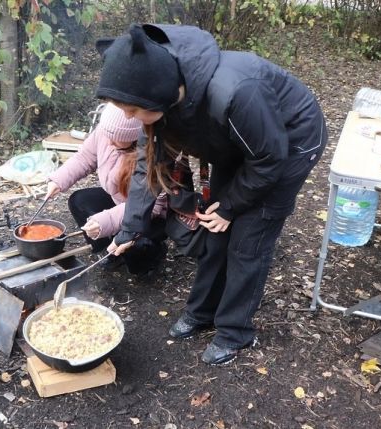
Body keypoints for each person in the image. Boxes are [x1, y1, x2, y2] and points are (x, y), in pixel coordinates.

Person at [97, 23, 327, 365]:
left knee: (248, 239)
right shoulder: (160, 97)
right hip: (237, 145)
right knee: (212, 226)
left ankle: (235, 332)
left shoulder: (233, 91)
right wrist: (131, 228)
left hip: (287, 144)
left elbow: (269, 158)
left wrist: (231, 206)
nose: (128, 118)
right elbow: (149, 167)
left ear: (158, 94)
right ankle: (202, 311)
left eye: (132, 110)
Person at [45, 102, 167, 275]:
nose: (108, 141)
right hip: (119, 199)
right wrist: (58, 180)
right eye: (106, 133)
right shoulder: (106, 131)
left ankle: (154, 253)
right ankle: (107, 250)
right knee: (79, 201)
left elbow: (151, 205)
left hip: (149, 213)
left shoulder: (153, 153)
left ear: (134, 136)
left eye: (114, 137)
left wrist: (105, 221)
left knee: (137, 256)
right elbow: (85, 157)